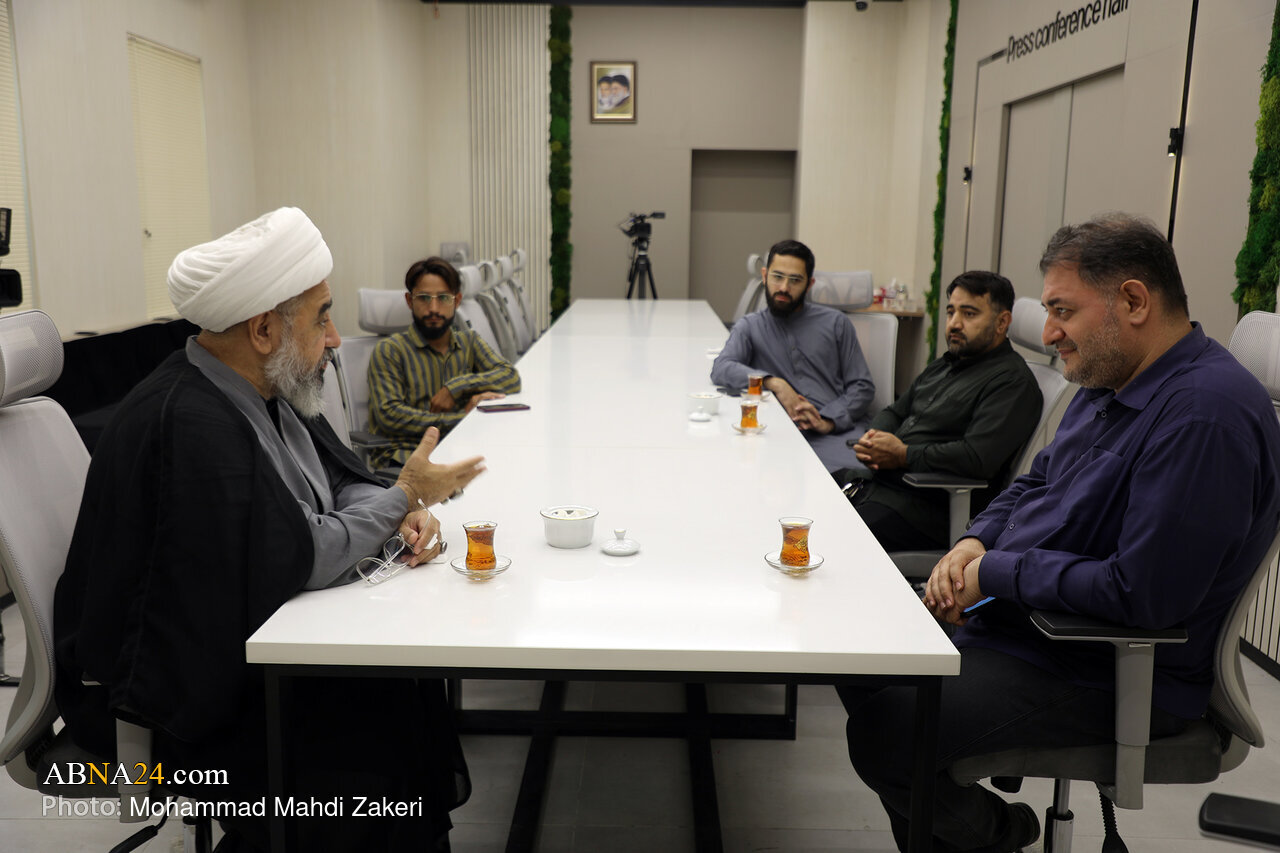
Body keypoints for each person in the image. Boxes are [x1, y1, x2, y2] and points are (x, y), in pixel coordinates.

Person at [842, 214, 1280, 852]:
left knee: (889, 732)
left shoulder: (1203, 416)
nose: (1048, 334)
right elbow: (1034, 482)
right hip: (1034, 627)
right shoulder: (1113, 381)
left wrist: (995, 574)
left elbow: (1143, 595)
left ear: (1133, 301)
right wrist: (975, 543)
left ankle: (1000, 833)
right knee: (856, 656)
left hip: (1105, 667)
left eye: (1062, 311)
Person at [53, 208, 486, 852]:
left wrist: (397, 508)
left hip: (241, 649)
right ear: (263, 330)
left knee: (392, 684)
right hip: (175, 698)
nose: (335, 339)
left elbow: (340, 479)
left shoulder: (264, 385)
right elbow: (300, 555)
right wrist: (403, 497)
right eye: (321, 318)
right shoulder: (192, 425)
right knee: (372, 726)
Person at [838, 271, 1042, 551]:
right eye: (950, 312)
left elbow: (975, 458)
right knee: (809, 497)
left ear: (1002, 322)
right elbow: (896, 411)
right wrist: (876, 439)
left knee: (832, 536)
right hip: (881, 485)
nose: (954, 323)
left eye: (969, 314)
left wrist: (902, 455)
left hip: (926, 510)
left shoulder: (1012, 383)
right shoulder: (947, 363)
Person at [710, 238, 875, 472]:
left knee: (849, 482)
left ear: (809, 284)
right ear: (765, 276)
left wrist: (828, 420)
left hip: (835, 433)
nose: (784, 288)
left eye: (795, 280)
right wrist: (773, 382)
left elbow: (862, 386)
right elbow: (722, 367)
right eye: (777, 277)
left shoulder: (836, 323)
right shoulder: (750, 326)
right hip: (780, 434)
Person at [367, 256, 521, 468]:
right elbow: (391, 416)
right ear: (410, 301)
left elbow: (510, 377)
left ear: (456, 301)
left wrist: (456, 387)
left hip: (462, 448)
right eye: (423, 298)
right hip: (408, 458)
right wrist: (463, 418)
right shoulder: (390, 350)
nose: (434, 308)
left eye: (443, 298)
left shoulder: (469, 342)